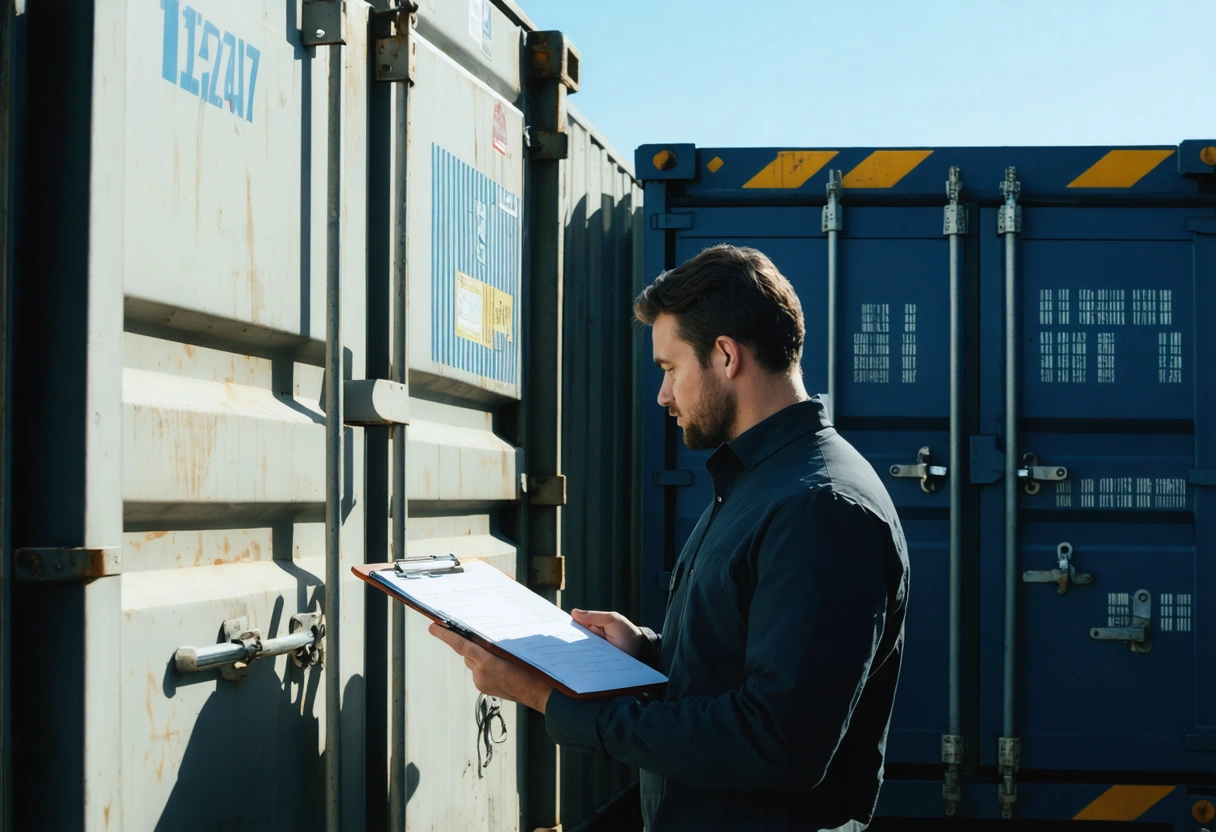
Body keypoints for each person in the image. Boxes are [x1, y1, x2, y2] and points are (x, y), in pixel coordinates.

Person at [430, 244, 910, 831]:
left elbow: (778, 740)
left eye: (669, 369)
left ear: (727, 355)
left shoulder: (819, 507)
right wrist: (650, 654)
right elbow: (757, 657)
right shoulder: (760, 482)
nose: (662, 395)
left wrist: (553, 701)